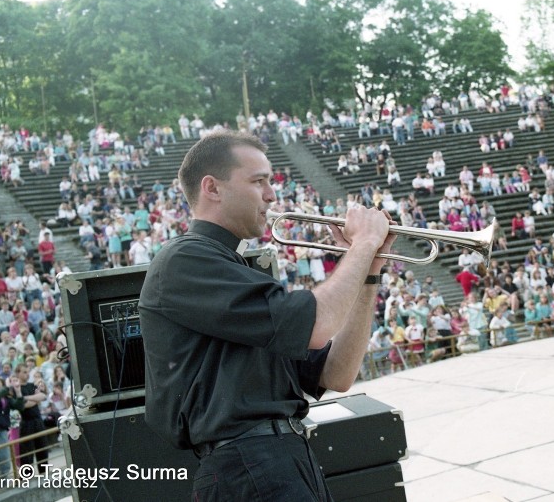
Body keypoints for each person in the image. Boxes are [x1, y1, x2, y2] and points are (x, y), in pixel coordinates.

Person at [139, 130, 394, 501]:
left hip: (280, 459)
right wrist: (364, 243)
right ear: (212, 188)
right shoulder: (185, 260)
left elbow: (337, 375)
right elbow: (320, 325)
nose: (272, 195)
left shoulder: (236, 268)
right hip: (248, 465)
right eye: (259, 181)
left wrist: (369, 273)